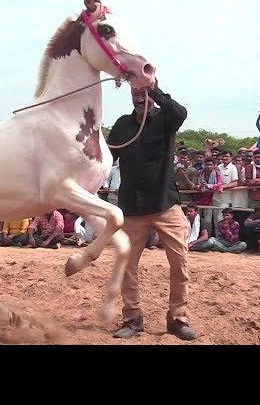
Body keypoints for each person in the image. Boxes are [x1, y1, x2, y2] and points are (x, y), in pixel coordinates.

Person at [106, 81, 197, 341]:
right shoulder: (122, 126)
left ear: (151, 96)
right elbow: (107, 159)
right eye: (135, 92)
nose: (139, 97)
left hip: (165, 204)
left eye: (143, 93)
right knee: (126, 265)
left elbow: (181, 112)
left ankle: (178, 319)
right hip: (132, 207)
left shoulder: (166, 118)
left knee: (179, 262)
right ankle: (132, 319)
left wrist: (154, 88)